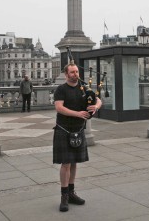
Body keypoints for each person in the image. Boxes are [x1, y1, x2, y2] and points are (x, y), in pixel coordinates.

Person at [53, 63, 102, 212]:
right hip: (64, 129)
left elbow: (97, 99)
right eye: (72, 72)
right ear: (66, 74)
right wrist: (78, 114)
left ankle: (72, 193)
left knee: (74, 163)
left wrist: (96, 107)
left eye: (76, 72)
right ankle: (64, 196)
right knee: (66, 163)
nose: (75, 74)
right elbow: (59, 107)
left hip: (78, 128)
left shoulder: (84, 88)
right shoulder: (61, 89)